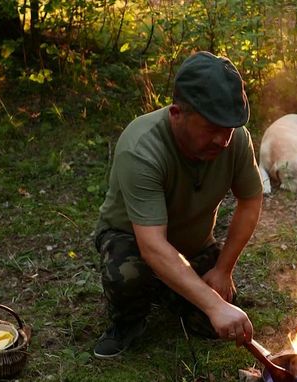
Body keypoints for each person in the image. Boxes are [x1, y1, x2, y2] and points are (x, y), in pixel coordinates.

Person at [93, 51, 264, 359]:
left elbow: (250, 199)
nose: (223, 140)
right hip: (133, 241)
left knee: (214, 326)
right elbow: (153, 246)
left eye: (229, 128)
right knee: (128, 274)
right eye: (212, 128)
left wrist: (223, 270)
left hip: (192, 244)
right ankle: (128, 321)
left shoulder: (235, 139)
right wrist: (213, 303)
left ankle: (170, 287)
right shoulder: (142, 148)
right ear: (176, 114)